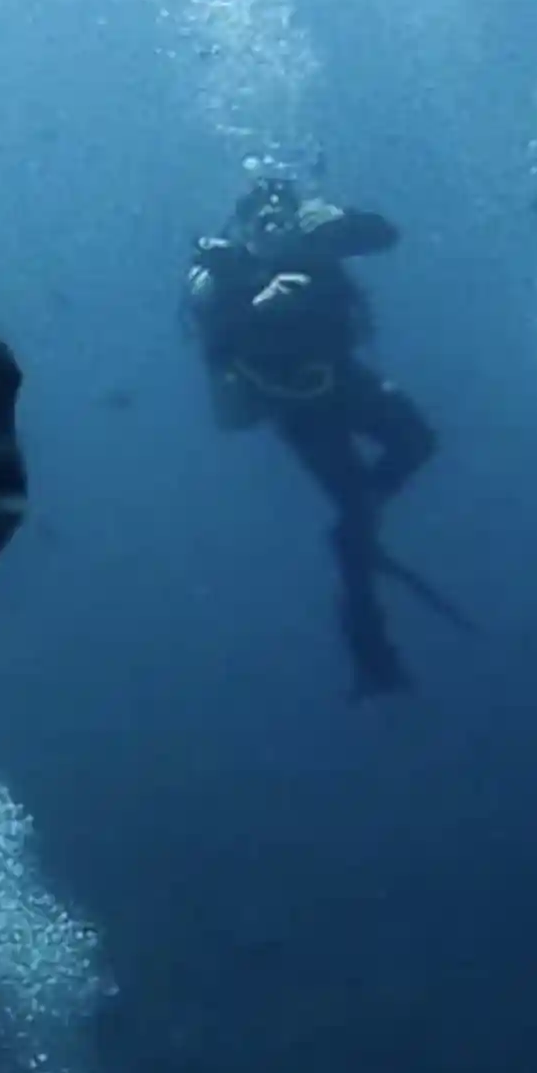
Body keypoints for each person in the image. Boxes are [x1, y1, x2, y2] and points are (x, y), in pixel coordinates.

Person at [182, 168, 439, 698]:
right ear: (243, 227)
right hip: (299, 413)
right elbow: (219, 351)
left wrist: (345, 220)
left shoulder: (317, 245)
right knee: (356, 516)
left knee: (418, 441)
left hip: (346, 381)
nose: (271, 224)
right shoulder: (227, 274)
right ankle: (371, 652)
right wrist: (254, 302)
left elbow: (386, 236)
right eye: (259, 218)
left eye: (281, 213)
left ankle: (357, 520)